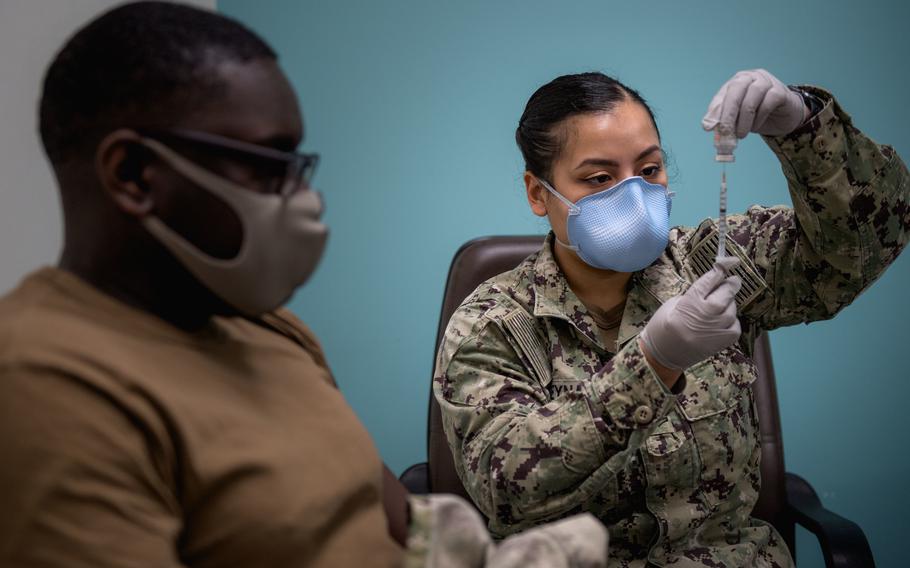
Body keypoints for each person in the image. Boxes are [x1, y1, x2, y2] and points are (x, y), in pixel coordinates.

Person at [0, 2, 609, 567]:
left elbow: (399, 530)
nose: (304, 199)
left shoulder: (265, 328)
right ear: (133, 175)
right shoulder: (44, 385)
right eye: (269, 164)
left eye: (299, 167)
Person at [434, 69, 909, 566]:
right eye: (599, 178)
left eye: (649, 170)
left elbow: (863, 248)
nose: (632, 194)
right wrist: (651, 364)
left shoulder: (715, 262)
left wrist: (804, 128)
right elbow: (506, 488)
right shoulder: (493, 322)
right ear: (538, 193)